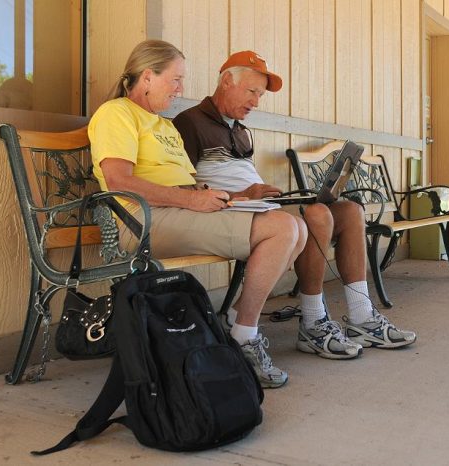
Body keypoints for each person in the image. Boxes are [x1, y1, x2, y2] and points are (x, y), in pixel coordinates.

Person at [88, 40, 308, 389]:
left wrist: (237, 197)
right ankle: (243, 337)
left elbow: (189, 187)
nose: (181, 89)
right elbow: (119, 180)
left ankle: (238, 321)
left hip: (177, 212)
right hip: (141, 221)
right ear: (147, 77)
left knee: (298, 225)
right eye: (175, 80)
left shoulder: (162, 126)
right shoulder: (116, 113)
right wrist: (191, 202)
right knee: (281, 228)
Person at [172, 50, 416, 361]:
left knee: (350, 211)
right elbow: (185, 188)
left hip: (260, 206)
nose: (256, 102)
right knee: (316, 214)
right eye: (251, 92)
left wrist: (272, 194)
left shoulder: (240, 130)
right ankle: (313, 322)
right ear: (226, 82)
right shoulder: (188, 123)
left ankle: (361, 316)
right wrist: (243, 194)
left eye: (260, 95)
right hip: (232, 212)